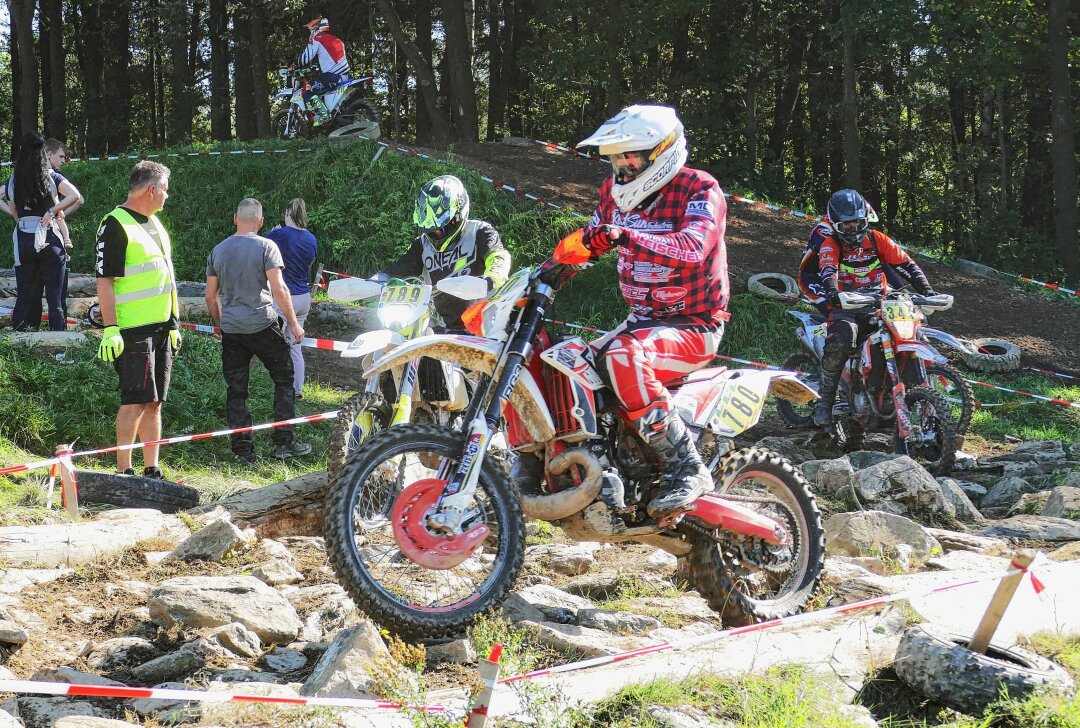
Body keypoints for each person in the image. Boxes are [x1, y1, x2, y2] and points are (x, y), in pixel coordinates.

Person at [537, 104, 730, 517]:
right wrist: (541, 278)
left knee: (623, 356)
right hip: (642, 321)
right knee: (565, 361)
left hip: (694, 323)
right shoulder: (612, 195)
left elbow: (694, 248)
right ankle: (607, 464)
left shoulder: (699, 188)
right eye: (615, 158)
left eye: (631, 156)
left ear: (662, 153)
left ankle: (688, 467)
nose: (622, 166)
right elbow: (588, 243)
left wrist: (627, 235)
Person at [807, 189, 937, 427]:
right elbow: (827, 270)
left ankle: (907, 395)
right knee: (840, 341)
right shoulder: (829, 243)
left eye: (857, 223)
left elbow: (907, 265)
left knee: (913, 330)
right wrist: (833, 291)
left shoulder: (878, 239)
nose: (853, 229)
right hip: (847, 305)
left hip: (879, 302)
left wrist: (927, 291)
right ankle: (825, 401)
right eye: (846, 225)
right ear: (835, 225)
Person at [205, 198, 311, 462]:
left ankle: (243, 451)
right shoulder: (267, 246)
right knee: (284, 379)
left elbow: (209, 296)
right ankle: (283, 443)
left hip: (232, 329)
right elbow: (279, 289)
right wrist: (294, 323)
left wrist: (221, 324)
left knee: (236, 389)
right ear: (261, 222)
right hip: (263, 324)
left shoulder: (218, 250)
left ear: (235, 218)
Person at [94, 160, 180, 479]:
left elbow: (166, 277)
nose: (167, 197)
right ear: (152, 189)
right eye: (165, 191)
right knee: (134, 401)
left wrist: (174, 322)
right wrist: (111, 327)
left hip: (160, 328)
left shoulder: (155, 224)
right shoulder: (115, 223)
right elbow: (105, 279)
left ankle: (152, 468)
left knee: (154, 402)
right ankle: (123, 471)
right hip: (132, 330)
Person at [375, 174, 510, 330]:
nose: (437, 233)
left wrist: (492, 278)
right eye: (431, 230)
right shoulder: (422, 244)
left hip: (484, 324)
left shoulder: (479, 232)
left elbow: (498, 257)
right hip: (443, 326)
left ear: (457, 215)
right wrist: (374, 281)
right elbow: (396, 270)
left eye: (442, 227)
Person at [0, 132, 81, 332]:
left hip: (24, 241)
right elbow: (76, 196)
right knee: (55, 296)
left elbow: (5, 201)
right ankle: (59, 338)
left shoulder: (13, 180)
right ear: (43, 154)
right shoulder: (52, 177)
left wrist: (15, 215)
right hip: (50, 238)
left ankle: (23, 335)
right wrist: (53, 211)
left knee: (26, 294)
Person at [266, 198, 317, 399]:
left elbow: (262, 247)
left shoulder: (280, 234)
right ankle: (298, 390)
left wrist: (273, 230)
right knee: (295, 346)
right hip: (303, 296)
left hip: (284, 297)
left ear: (288, 213)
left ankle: (281, 386)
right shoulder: (312, 238)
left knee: (275, 344)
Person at [293, 17, 349, 123]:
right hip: (344, 76)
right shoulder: (338, 40)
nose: (311, 32)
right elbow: (332, 59)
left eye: (311, 29)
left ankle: (323, 116)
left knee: (307, 89)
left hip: (331, 77)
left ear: (317, 28)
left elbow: (306, 57)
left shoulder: (318, 40)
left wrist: (295, 64)